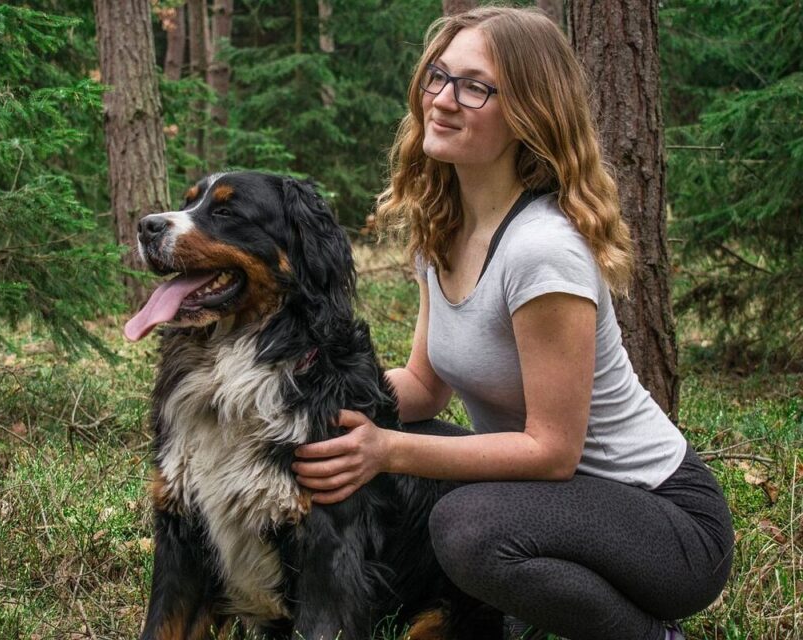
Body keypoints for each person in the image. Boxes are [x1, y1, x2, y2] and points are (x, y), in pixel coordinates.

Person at [291, 7, 734, 640]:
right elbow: (421, 384)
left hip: (664, 523)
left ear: (529, 111)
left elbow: (552, 452)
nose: (443, 100)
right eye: (437, 77)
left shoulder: (541, 249)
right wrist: (305, 403)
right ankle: (526, 608)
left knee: (463, 523)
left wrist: (386, 450)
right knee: (411, 440)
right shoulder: (445, 228)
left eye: (475, 87)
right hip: (555, 505)